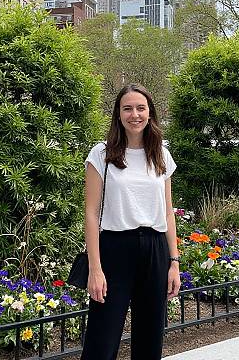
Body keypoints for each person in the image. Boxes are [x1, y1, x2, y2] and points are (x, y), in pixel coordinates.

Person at [81, 83, 181, 360]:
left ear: (150, 113)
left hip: (155, 248)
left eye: (141, 108)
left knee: (150, 338)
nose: (134, 114)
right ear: (118, 113)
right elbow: (90, 212)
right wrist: (95, 269)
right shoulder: (101, 154)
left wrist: (174, 262)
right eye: (128, 108)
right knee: (103, 338)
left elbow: (168, 211)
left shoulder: (160, 153)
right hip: (115, 248)